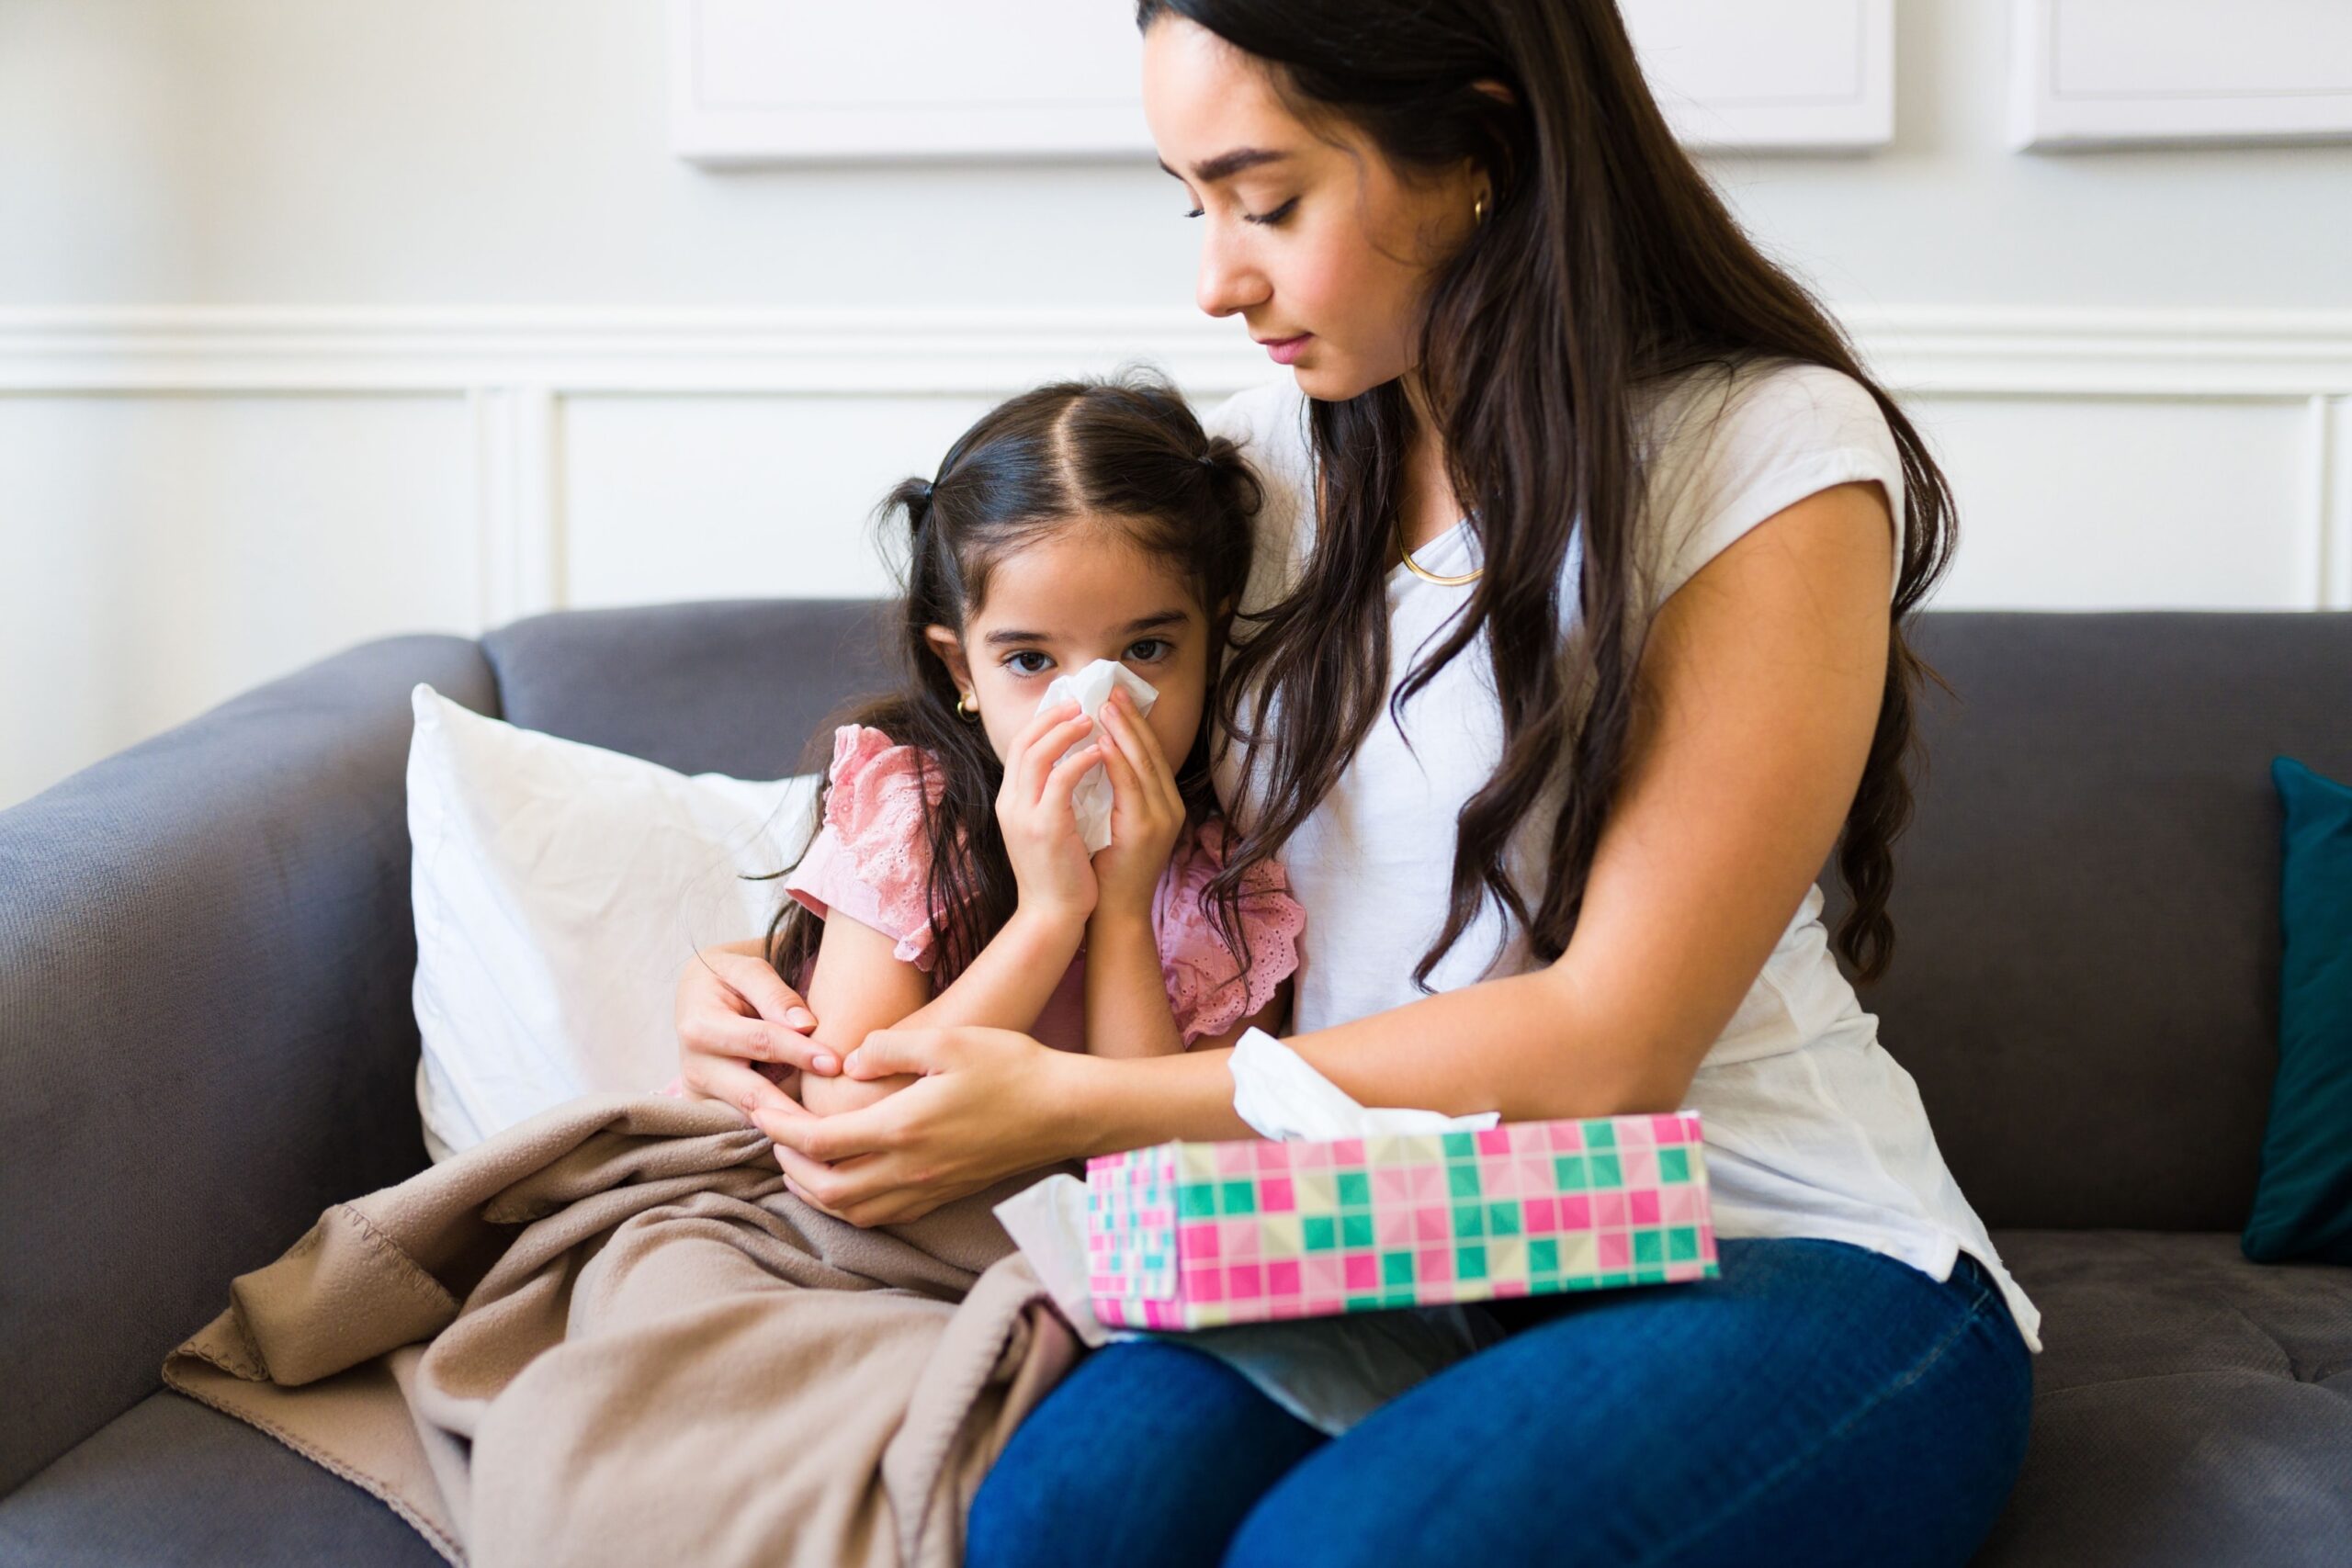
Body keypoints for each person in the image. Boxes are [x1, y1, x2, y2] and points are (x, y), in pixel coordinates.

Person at [670, 3, 2041, 1563]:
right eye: (1196, 204)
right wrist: (765, 956)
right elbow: (994, 724)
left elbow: (1613, 1043)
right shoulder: (1244, 480)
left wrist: (1081, 1102)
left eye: (1268, 200)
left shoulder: (1764, 454)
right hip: (1367, 1241)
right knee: (1065, 1514)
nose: (1216, 276)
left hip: (1763, 1236)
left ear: (1474, 145)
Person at [665, 374, 1306, 1114]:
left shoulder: (1231, 889)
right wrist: (1049, 913)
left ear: (1214, 640)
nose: (1094, 707)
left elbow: (1152, 1161)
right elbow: (848, 1108)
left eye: (1147, 647)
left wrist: (1124, 911)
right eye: (1031, 661)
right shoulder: (911, 818)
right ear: (961, 668)